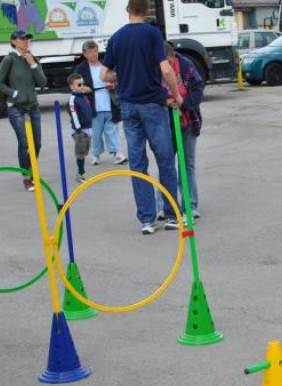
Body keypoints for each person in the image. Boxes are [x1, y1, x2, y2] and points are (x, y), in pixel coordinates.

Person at [100, 0, 183, 235]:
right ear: (147, 11)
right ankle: (170, 214)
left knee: (138, 164)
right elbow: (166, 69)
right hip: (153, 105)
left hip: (129, 107)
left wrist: (121, 77)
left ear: (128, 10)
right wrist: (176, 94)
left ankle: (146, 219)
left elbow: (104, 73)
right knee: (165, 159)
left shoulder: (117, 38)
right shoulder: (152, 33)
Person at [155, 42, 205, 220]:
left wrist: (183, 102)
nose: (165, 67)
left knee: (187, 163)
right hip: (164, 122)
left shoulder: (186, 66)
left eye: (167, 62)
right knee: (166, 163)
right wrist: (165, 101)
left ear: (173, 56)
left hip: (188, 119)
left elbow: (198, 89)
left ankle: (190, 205)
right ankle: (164, 205)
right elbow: (151, 92)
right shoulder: (154, 68)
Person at [0, 30, 46, 191]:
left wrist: (33, 64)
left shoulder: (30, 58)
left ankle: (30, 171)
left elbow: (43, 82)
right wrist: (14, 93)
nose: (25, 42)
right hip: (17, 109)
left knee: (37, 144)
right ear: (14, 42)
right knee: (24, 144)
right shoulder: (9, 60)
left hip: (33, 108)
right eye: (22, 39)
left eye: (27, 39)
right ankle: (27, 178)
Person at [73, 40, 127, 166]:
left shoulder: (106, 65)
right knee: (96, 133)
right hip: (93, 106)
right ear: (84, 54)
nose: (93, 54)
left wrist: (113, 84)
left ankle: (116, 153)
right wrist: (84, 89)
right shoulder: (81, 69)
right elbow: (75, 85)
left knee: (111, 130)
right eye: (90, 52)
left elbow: (118, 78)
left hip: (109, 103)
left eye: (95, 51)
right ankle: (96, 154)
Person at [67, 73, 94, 183]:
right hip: (80, 131)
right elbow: (74, 114)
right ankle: (80, 174)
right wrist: (78, 130)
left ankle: (82, 172)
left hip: (88, 128)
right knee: (80, 152)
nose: (82, 86)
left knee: (84, 152)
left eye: (82, 84)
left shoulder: (83, 96)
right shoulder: (73, 100)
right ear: (71, 86)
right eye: (79, 85)